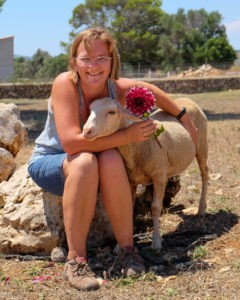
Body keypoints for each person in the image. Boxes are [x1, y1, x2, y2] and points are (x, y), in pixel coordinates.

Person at [28, 27, 197, 291]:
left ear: (111, 61)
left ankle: (127, 252)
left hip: (91, 163)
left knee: (109, 158)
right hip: (52, 162)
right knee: (86, 159)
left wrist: (183, 115)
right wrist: (128, 135)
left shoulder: (114, 88)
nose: (93, 66)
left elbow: (151, 89)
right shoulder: (66, 84)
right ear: (74, 61)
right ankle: (76, 261)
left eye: (101, 59)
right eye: (86, 59)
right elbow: (71, 143)